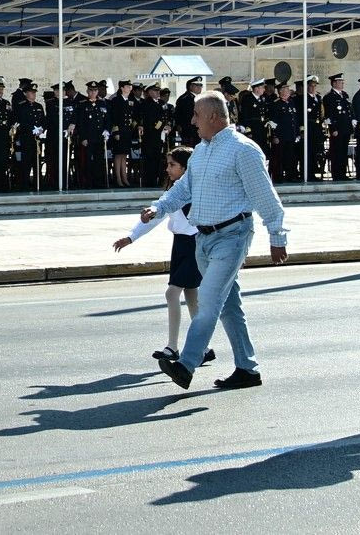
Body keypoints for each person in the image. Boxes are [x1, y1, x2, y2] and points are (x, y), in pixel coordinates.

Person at [145, 90, 289, 392]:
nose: (192, 120)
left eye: (197, 115)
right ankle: (247, 368)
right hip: (204, 239)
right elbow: (183, 189)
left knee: (209, 301)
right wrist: (159, 208)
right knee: (229, 306)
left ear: (213, 116)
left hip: (232, 235)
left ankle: (186, 363)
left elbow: (266, 198)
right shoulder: (201, 151)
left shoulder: (243, 150)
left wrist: (277, 235)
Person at [113, 147, 214, 367]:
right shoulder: (176, 189)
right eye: (167, 164)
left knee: (172, 294)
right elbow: (157, 214)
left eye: (172, 165)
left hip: (192, 244)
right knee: (191, 298)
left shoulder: (191, 188)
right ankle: (203, 348)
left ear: (185, 168)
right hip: (180, 244)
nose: (167, 169)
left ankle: (172, 347)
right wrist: (131, 237)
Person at [14, 81, 47, 192]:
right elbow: (20, 122)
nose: (33, 94)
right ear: (26, 93)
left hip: (37, 139)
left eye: (34, 92)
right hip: (26, 138)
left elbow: (44, 120)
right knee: (26, 163)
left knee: (37, 162)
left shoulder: (39, 106)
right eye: (31, 92)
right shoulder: (21, 106)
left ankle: (38, 183)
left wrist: (42, 128)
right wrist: (32, 129)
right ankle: (25, 184)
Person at [107, 78, 137, 188]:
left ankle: (124, 178)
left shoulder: (130, 100)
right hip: (119, 131)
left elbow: (133, 116)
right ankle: (118, 178)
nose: (130, 88)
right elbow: (114, 117)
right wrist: (116, 132)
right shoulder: (116, 100)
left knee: (124, 155)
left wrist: (133, 128)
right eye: (128, 86)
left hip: (127, 131)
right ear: (122, 88)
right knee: (118, 155)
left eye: (130, 86)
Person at [323, 73, 353, 180]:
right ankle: (336, 174)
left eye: (342, 82)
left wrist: (351, 123)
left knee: (344, 152)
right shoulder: (329, 97)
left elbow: (349, 111)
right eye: (340, 82)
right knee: (336, 152)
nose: (342, 84)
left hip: (345, 128)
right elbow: (329, 115)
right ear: (334, 83)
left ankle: (343, 173)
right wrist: (333, 129)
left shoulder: (344, 95)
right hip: (337, 129)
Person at [174, 77, 202, 147]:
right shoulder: (184, 99)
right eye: (197, 85)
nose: (199, 87)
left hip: (199, 130)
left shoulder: (200, 98)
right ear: (190, 86)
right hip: (189, 131)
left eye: (200, 85)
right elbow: (179, 115)